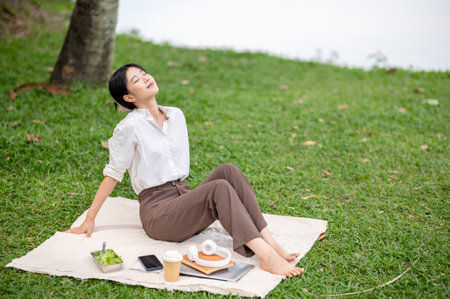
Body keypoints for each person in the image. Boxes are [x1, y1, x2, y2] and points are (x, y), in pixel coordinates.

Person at [66, 63, 304, 278]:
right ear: (128, 96)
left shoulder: (176, 115)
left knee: (228, 171)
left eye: (144, 73)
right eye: (136, 80)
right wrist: (90, 218)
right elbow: (113, 173)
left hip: (183, 199)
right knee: (218, 188)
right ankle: (266, 257)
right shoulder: (128, 128)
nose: (146, 77)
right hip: (158, 214)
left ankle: (270, 242)